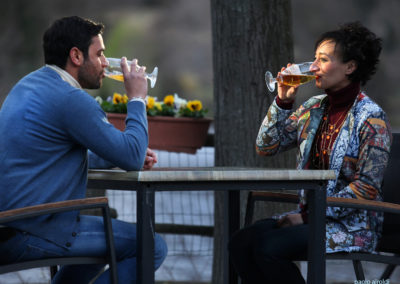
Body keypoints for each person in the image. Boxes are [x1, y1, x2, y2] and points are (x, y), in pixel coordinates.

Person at [0, 16, 167, 283]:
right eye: (100, 54)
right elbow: (133, 158)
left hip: (10, 225)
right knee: (151, 246)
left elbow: (53, 154)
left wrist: (116, 154)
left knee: (99, 250)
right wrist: (136, 98)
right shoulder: (70, 99)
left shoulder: (28, 85)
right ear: (76, 56)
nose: (105, 62)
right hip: (34, 229)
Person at [228, 22, 392, 283]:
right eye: (314, 59)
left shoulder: (372, 119)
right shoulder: (313, 107)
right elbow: (266, 146)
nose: (313, 67)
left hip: (353, 227)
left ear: (350, 67)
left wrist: (307, 215)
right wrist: (282, 101)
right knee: (241, 242)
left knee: (268, 248)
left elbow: (367, 188)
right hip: (310, 218)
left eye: (323, 60)